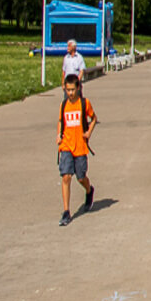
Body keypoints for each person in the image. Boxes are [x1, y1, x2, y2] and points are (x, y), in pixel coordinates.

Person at [57, 73, 96, 226]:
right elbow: (61, 121)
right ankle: (66, 211)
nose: (70, 93)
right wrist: (59, 135)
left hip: (80, 146)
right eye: (67, 90)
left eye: (73, 90)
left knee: (81, 177)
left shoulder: (84, 104)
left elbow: (93, 119)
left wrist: (88, 133)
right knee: (66, 176)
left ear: (78, 88)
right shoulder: (63, 105)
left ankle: (89, 190)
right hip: (66, 145)